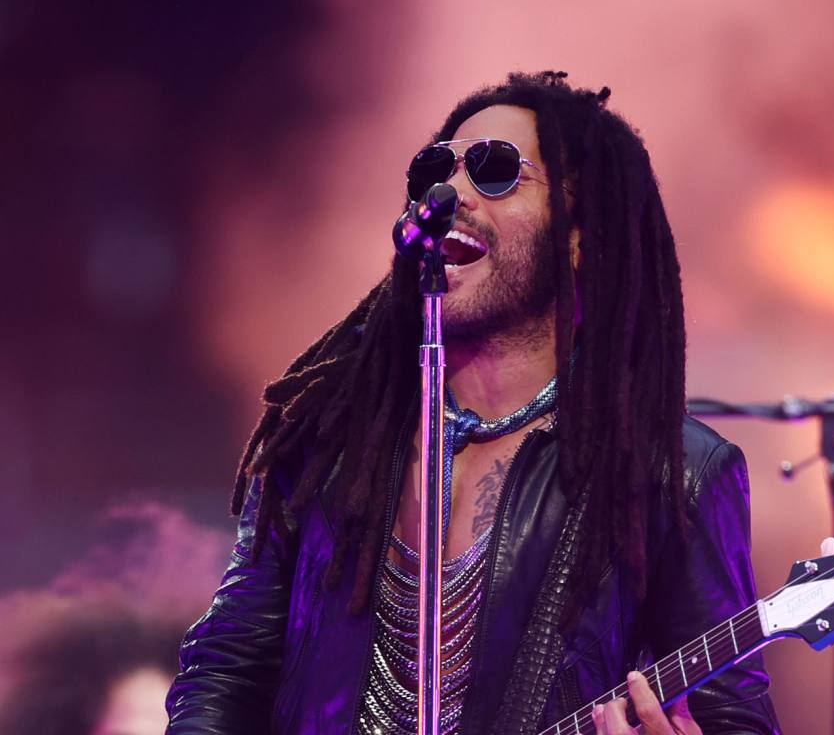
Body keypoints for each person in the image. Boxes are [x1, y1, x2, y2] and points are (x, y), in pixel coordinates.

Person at [166, 71, 782, 734]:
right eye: (436, 169)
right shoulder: (327, 441)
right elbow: (227, 667)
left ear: (581, 238)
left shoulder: (670, 472)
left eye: (495, 171)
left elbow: (734, 719)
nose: (449, 192)